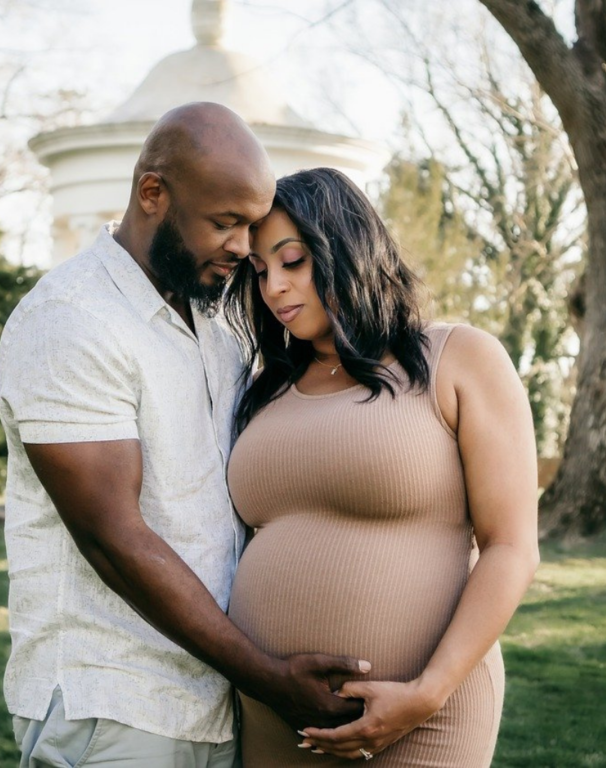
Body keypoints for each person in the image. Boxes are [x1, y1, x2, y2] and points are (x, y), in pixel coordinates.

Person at [0, 106, 369, 768]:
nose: (243, 247)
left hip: (213, 707)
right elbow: (116, 541)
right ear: (152, 194)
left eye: (251, 226)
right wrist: (268, 677)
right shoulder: (71, 320)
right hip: (112, 706)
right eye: (224, 222)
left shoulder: (217, 325)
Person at [224, 167, 540, 766]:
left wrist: (428, 693)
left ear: (345, 247)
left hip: (426, 716)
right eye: (260, 272)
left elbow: (512, 548)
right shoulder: (265, 390)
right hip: (276, 715)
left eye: (292, 261)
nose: (273, 289)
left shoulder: (458, 358)